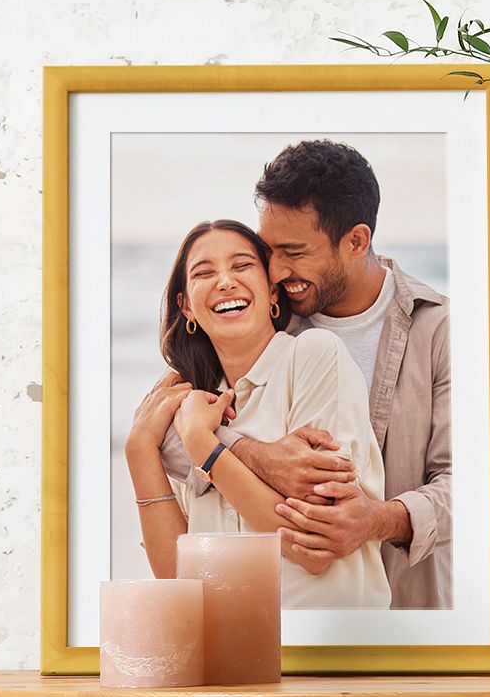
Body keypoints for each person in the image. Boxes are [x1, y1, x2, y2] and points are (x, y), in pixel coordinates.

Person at [161, 140, 452, 609]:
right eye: (268, 250)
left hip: (411, 608)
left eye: (293, 252)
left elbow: (471, 485)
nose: (275, 271)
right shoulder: (266, 319)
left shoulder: (438, 328)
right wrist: (257, 454)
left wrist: (375, 519)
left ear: (356, 241)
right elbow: (177, 432)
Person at [124, 219, 390, 609]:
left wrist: (206, 447)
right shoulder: (191, 409)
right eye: (204, 272)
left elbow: (311, 548)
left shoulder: (313, 355)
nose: (225, 281)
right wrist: (139, 448)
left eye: (242, 265)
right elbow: (179, 586)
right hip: (233, 649)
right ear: (186, 307)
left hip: (331, 647)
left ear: (271, 292)